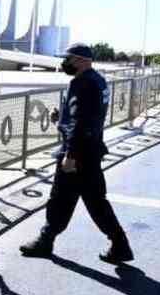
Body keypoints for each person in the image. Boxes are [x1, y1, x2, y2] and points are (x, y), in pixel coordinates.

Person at [20, 43, 134, 264]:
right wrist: (61, 116)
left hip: (78, 152)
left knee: (63, 199)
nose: (65, 63)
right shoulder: (98, 81)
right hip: (90, 149)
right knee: (91, 200)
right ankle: (119, 245)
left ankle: (46, 241)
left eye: (69, 59)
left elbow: (81, 122)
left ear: (82, 60)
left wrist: (70, 156)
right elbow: (87, 115)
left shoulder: (83, 84)